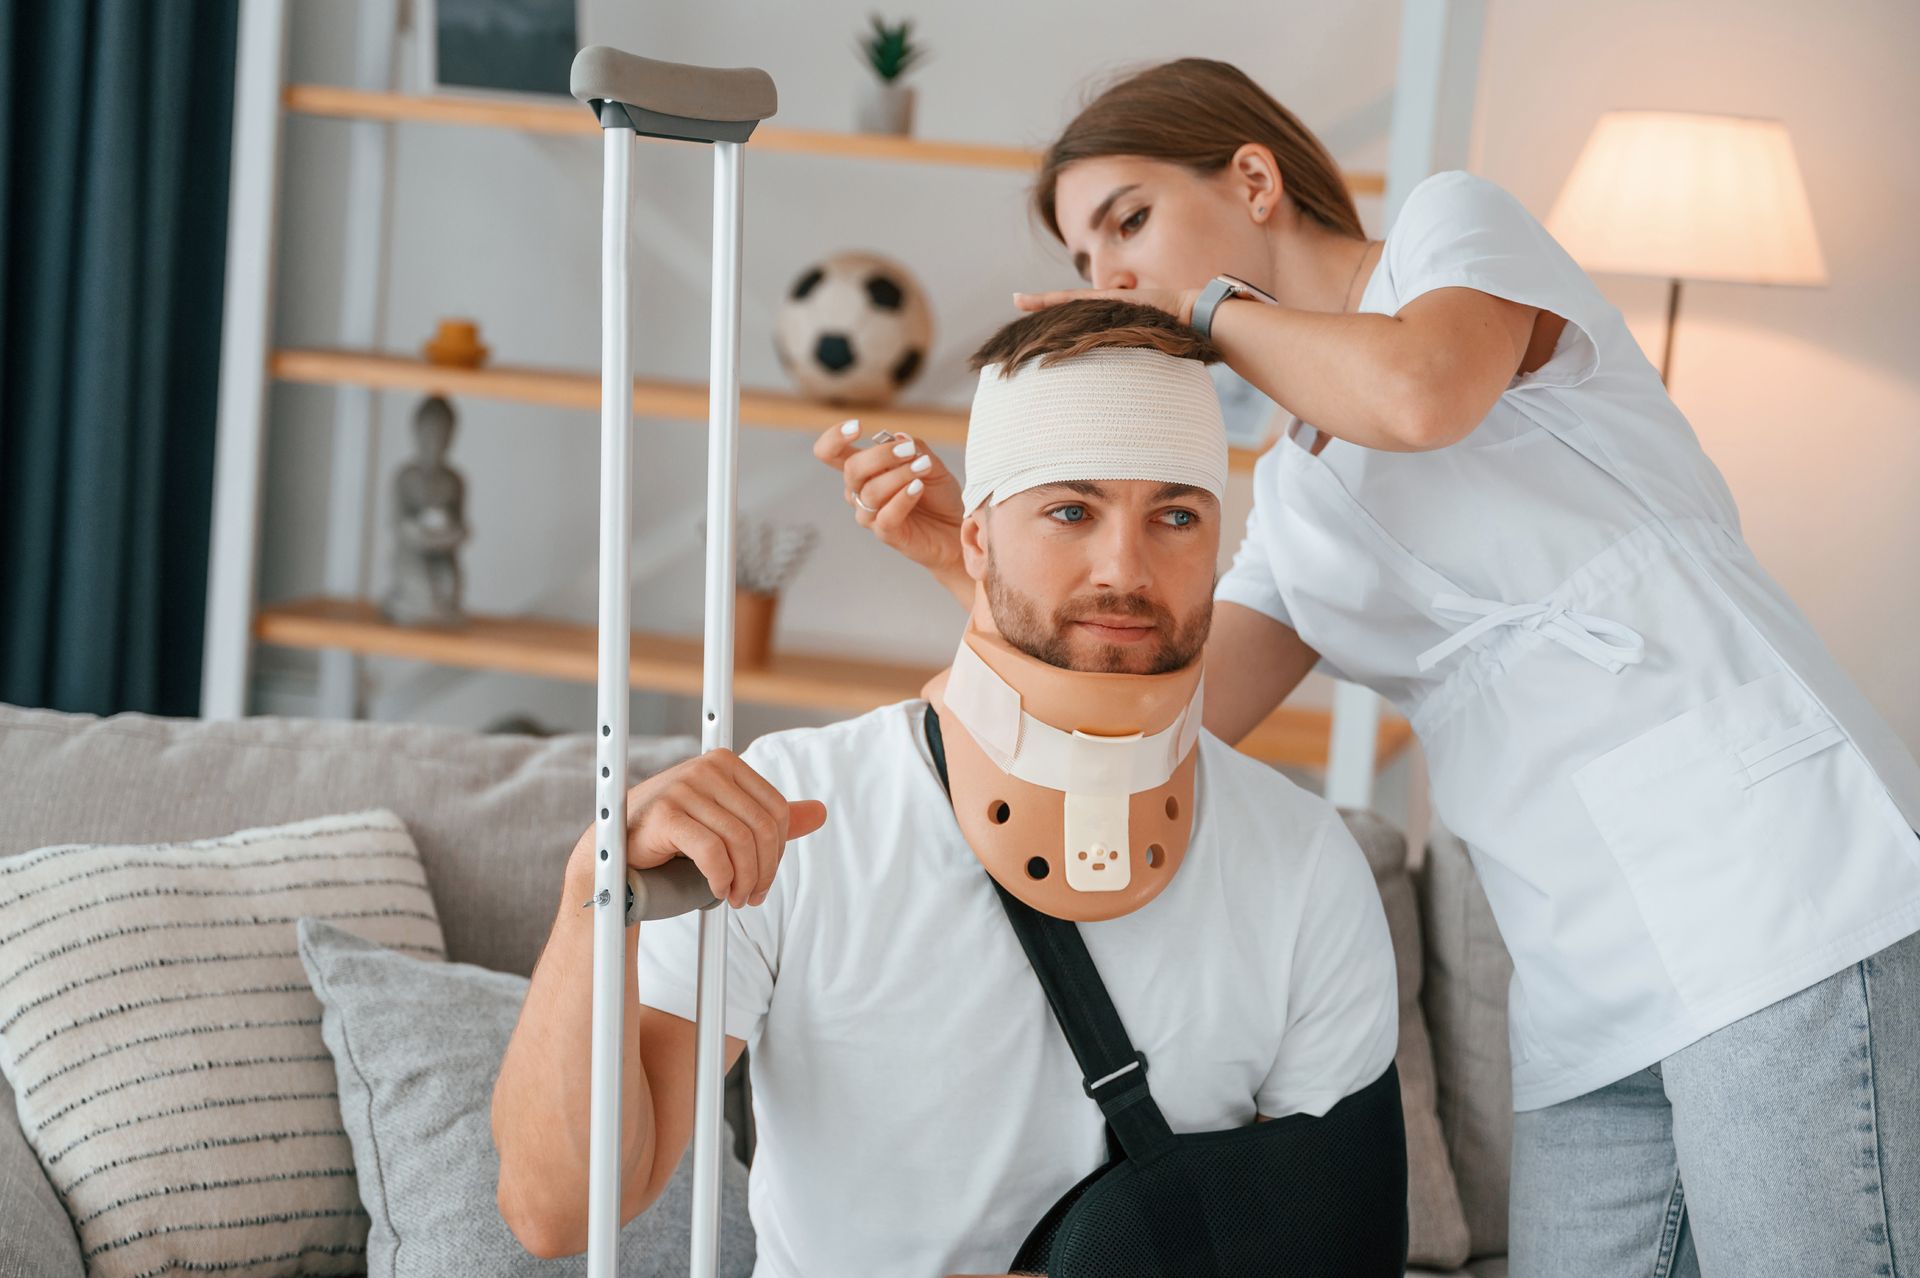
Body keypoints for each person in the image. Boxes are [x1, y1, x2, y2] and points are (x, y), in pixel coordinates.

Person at [815, 56, 1920, 1277]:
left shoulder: (1450, 237)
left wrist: (1199, 312)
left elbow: (1421, 388)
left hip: (1772, 885)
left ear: (1253, 177)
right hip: (1578, 971)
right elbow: (1163, 712)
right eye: (1084, 261)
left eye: (1127, 221)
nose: (1111, 275)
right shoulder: (1293, 504)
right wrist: (962, 563)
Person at [490, 302, 1401, 1278]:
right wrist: (598, 896)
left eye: (1176, 515)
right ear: (976, 539)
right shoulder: (794, 811)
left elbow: (1330, 1245)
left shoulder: (1304, 862)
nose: (1126, 569)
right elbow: (557, 1213)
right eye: (1070, 510)